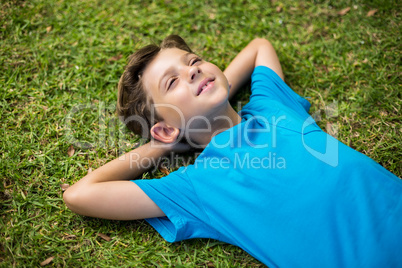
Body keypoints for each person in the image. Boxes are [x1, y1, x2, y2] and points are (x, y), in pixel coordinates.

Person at [63, 35, 402, 267]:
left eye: (193, 61)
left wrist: (213, 82)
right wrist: (162, 144)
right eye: (172, 82)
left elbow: (258, 46)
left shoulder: (274, 107)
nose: (192, 69)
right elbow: (80, 195)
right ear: (165, 127)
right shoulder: (197, 187)